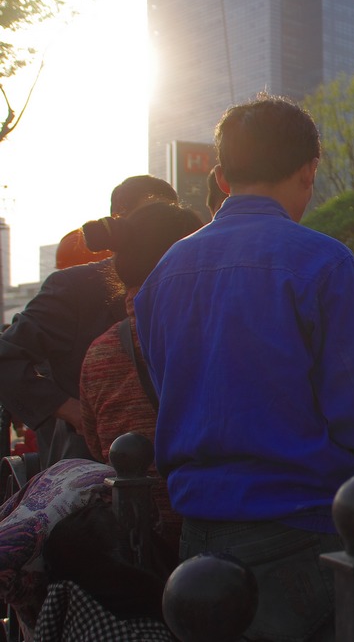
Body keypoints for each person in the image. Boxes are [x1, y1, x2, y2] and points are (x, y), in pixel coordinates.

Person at [134, 94, 354, 642]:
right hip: (302, 531)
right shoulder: (322, 261)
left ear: (222, 176)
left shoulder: (163, 273)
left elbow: (168, 392)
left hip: (196, 546)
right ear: (308, 173)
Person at [0, 176, 179, 468]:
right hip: (88, 469)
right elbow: (6, 357)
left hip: (176, 462)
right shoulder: (74, 287)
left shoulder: (188, 283)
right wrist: (72, 410)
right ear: (117, 220)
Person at [78, 202, 203, 547]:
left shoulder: (99, 352)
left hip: (132, 539)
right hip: (207, 525)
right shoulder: (210, 332)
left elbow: (95, 443)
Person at [55, 176, 179, 269]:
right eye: (152, 214)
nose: (163, 224)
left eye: (170, 214)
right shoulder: (71, 283)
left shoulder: (186, 271)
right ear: (117, 220)